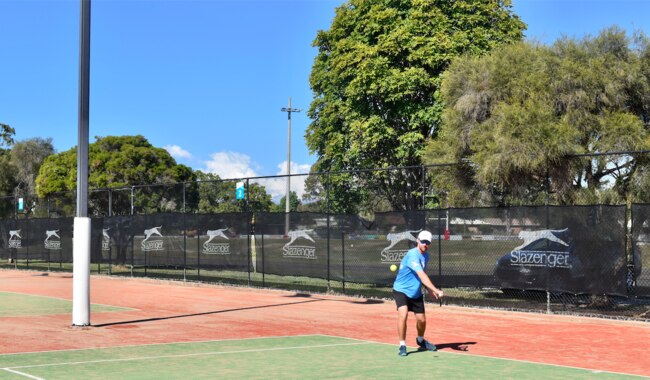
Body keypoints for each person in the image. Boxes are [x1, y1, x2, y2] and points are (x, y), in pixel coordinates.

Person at [392, 230, 444, 356]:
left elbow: (423, 274)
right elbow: (421, 275)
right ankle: (402, 345)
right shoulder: (412, 255)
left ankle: (420, 340)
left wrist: (430, 291)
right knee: (403, 314)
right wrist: (436, 290)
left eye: (428, 243)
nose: (425, 244)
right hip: (401, 290)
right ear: (418, 241)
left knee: (421, 320)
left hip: (415, 293)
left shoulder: (426, 256)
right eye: (423, 242)